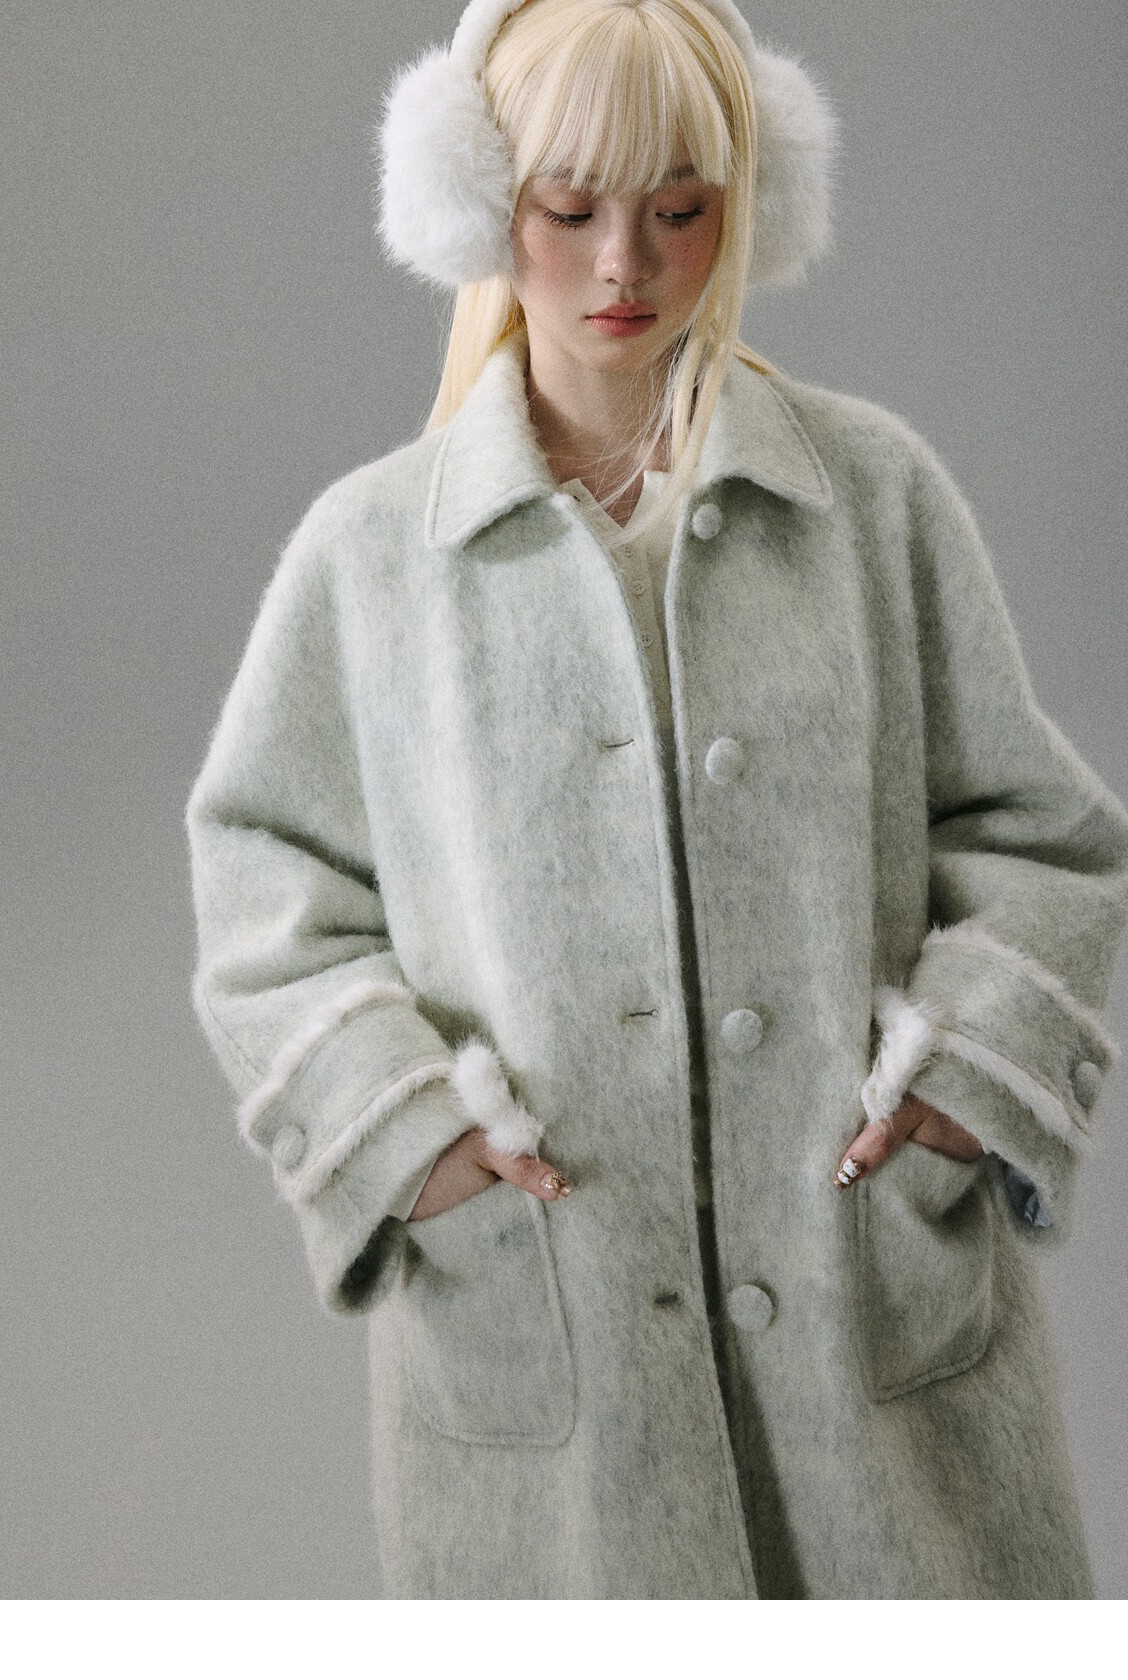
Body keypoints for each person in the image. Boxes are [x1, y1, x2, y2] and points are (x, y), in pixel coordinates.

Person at [184, 0, 1128, 1599]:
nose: (623, 264)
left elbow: (1038, 834)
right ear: (476, 203)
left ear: (746, 203)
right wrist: (413, 1139)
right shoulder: (373, 558)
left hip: (867, 1321)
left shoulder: (870, 499)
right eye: (568, 210)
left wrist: (964, 1081)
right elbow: (265, 885)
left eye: (679, 209)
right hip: (556, 1323)